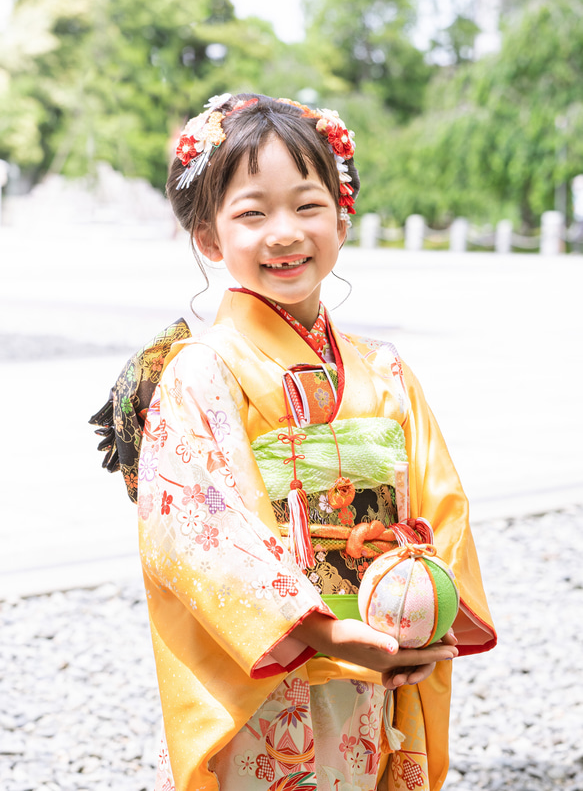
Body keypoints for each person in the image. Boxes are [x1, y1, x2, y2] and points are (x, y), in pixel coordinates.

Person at [93, 93, 496, 791]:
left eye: (307, 206)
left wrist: (424, 615)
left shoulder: (387, 372)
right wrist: (320, 629)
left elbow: (442, 504)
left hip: (380, 659)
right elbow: (195, 530)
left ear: (342, 218)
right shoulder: (202, 371)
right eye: (252, 212)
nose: (284, 232)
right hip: (271, 669)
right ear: (209, 237)